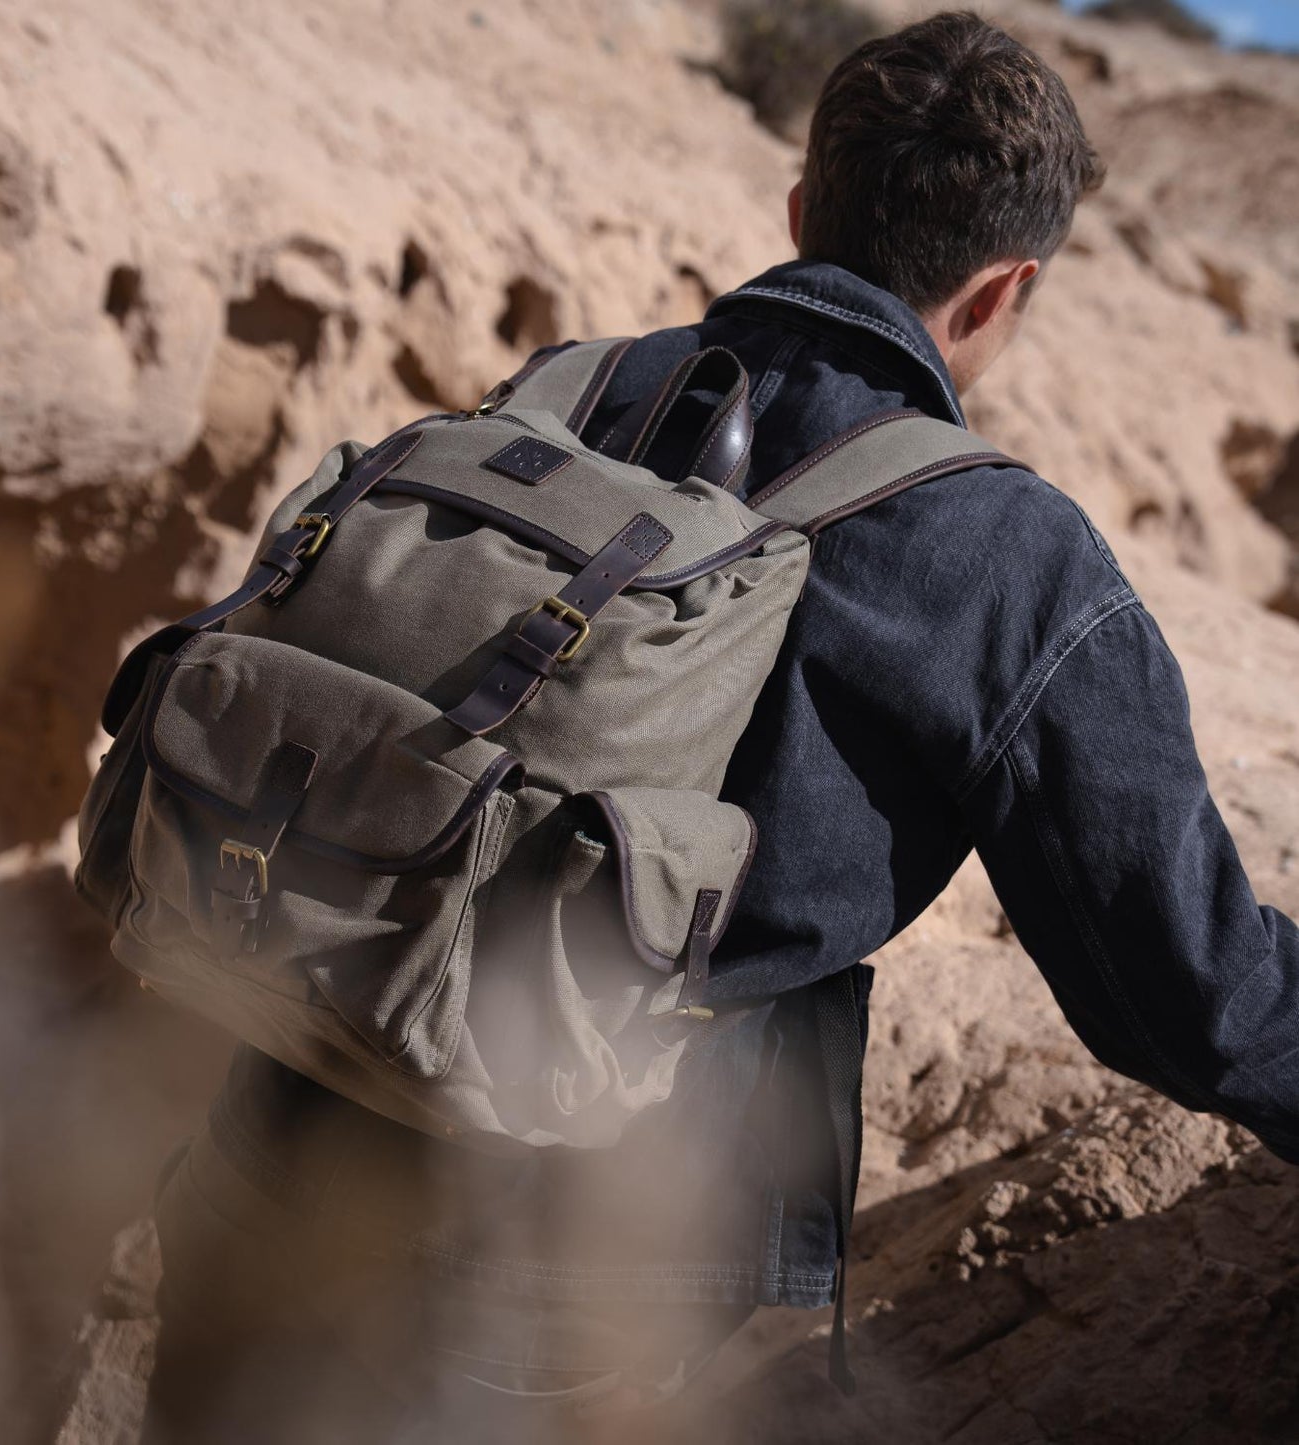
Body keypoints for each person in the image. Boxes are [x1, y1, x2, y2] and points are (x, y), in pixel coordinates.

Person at [140, 11, 1299, 1442]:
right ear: (1004, 291)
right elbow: (1186, 994)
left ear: (801, 210)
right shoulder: (1008, 556)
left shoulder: (564, 392)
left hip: (283, 1113)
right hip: (598, 1259)